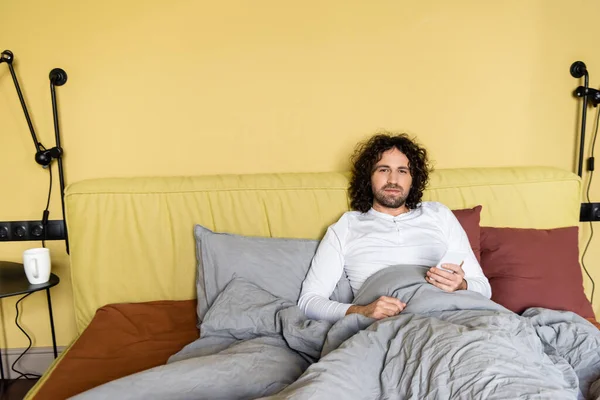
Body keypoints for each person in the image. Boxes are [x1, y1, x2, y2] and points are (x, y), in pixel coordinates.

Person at [298, 132, 491, 322]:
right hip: (393, 325)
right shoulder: (347, 226)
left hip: (451, 314)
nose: (393, 180)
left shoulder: (438, 214)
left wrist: (462, 285)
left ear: (412, 178)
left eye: (402, 171)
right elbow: (308, 301)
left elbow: (484, 288)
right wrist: (361, 311)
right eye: (383, 169)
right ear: (369, 177)